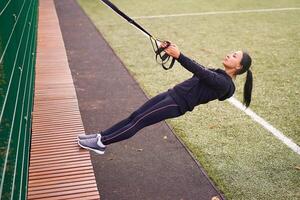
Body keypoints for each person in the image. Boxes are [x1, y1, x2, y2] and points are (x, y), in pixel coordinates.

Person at [77, 42, 253, 154]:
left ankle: (101, 143)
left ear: (239, 67)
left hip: (176, 104)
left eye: (234, 56)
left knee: (139, 122)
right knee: (135, 116)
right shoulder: (218, 73)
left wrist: (179, 55)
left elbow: (199, 71)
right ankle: (100, 136)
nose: (230, 54)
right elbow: (199, 67)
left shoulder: (225, 84)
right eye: (232, 52)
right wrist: (172, 50)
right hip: (171, 94)